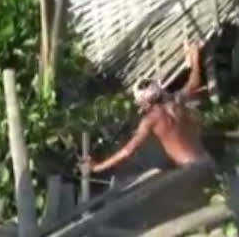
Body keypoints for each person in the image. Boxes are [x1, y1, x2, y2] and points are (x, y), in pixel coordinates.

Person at [89, 41, 212, 173]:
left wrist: (97, 167)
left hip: (190, 169)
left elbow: (127, 151)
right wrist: (194, 58)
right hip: (207, 159)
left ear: (144, 102)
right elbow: (194, 82)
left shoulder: (150, 120)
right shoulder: (177, 100)